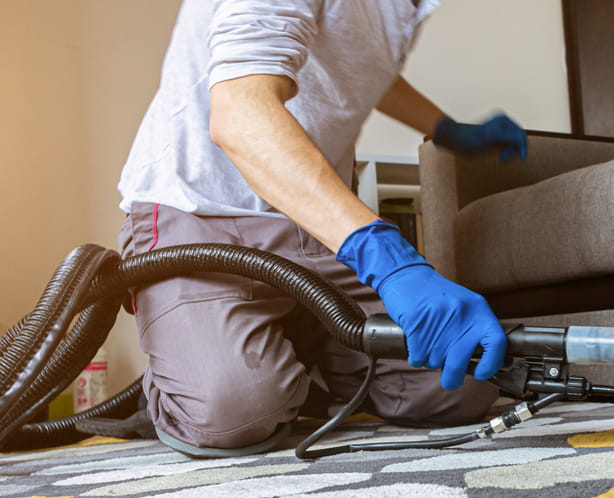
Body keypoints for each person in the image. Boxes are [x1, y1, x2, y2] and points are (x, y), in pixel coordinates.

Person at [114, 0, 528, 456]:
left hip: (310, 221)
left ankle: (304, 350)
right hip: (200, 211)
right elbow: (240, 114)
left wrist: (446, 128)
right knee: (233, 411)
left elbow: (356, 63)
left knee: (459, 385)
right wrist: (389, 260)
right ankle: (187, 372)